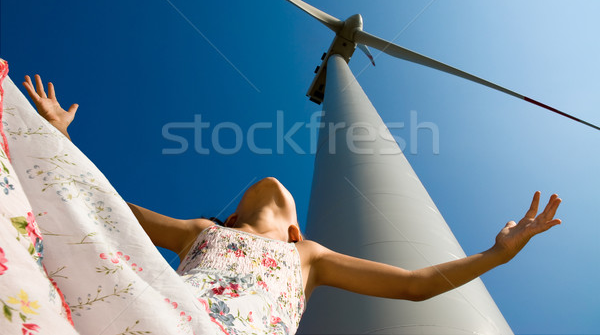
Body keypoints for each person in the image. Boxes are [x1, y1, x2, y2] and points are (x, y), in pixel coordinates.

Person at [23, 74, 563, 334]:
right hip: (160, 320)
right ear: (230, 219)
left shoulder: (310, 259)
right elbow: (101, 208)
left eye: (287, 206)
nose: (274, 189)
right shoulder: (198, 233)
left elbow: (413, 285)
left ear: (295, 234)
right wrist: (59, 141)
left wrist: (496, 256)